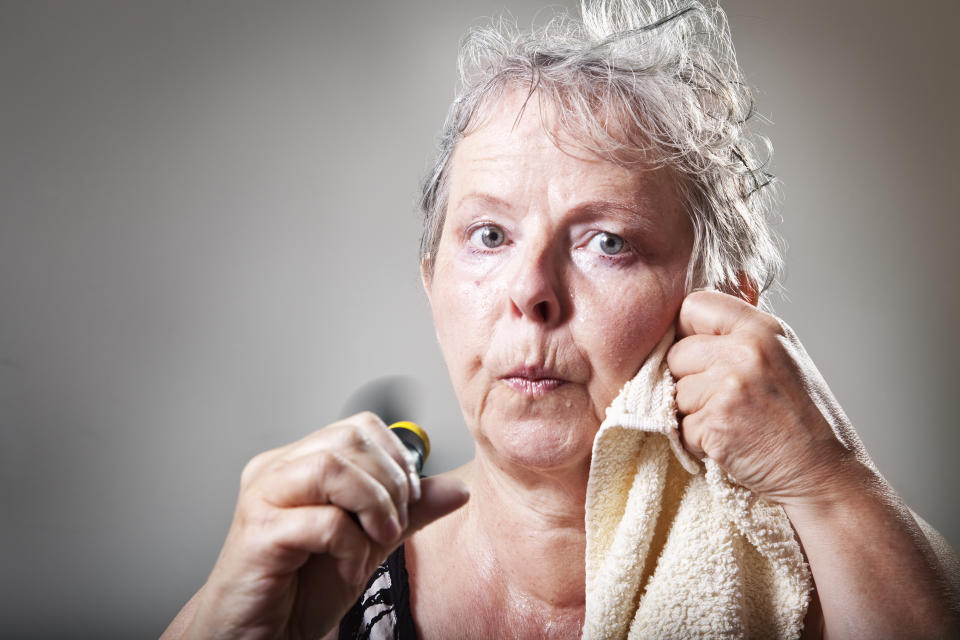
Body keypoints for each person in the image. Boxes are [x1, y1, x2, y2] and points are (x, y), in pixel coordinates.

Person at [163, 1, 959, 638]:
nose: (531, 291)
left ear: (724, 309)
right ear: (432, 285)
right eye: (489, 236)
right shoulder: (324, 577)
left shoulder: (819, 577)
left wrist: (827, 477)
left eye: (607, 241)